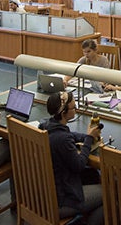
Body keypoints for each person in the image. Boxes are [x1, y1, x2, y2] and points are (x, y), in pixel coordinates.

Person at [38, 92, 104, 225]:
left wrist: (87, 136)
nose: (76, 109)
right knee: (110, 192)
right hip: (63, 201)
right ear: (64, 113)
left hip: (44, 196)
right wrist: (89, 139)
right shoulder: (62, 139)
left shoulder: (47, 126)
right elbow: (79, 165)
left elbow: (68, 134)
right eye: (74, 108)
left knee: (92, 175)